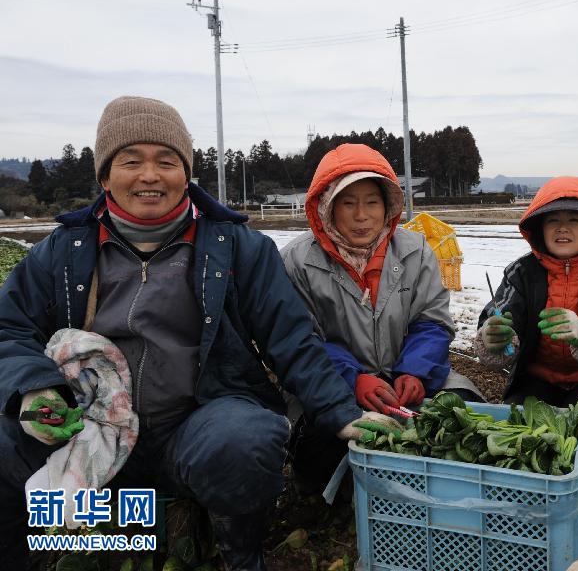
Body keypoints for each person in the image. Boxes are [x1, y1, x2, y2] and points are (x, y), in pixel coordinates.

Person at [0, 96, 393, 570]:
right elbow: (9, 328)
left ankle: (240, 555)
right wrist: (33, 390)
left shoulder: (238, 248)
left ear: (185, 173)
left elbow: (291, 339)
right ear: (105, 176)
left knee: (246, 440)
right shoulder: (63, 250)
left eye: (166, 161)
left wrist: (339, 411)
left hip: (194, 424)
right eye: (131, 161)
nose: (150, 175)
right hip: (86, 424)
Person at [280, 143, 483, 489]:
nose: (362, 215)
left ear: (388, 206)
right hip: (335, 384)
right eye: (348, 203)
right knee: (320, 457)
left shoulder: (415, 251)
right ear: (326, 207)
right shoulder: (297, 261)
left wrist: (415, 372)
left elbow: (432, 321)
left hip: (408, 379)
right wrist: (354, 379)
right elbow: (300, 340)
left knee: (467, 420)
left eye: (372, 202)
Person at [472, 176, 578, 450]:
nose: (562, 228)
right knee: (520, 428)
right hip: (539, 378)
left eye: (575, 220)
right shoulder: (521, 272)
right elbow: (497, 319)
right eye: (553, 220)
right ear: (539, 229)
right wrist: (494, 337)